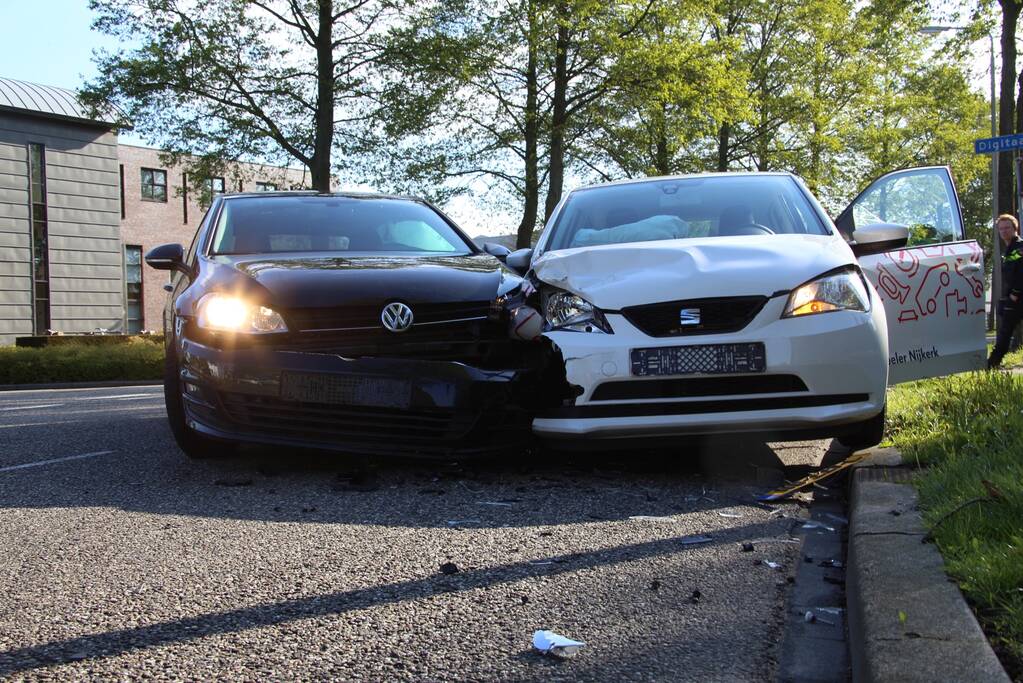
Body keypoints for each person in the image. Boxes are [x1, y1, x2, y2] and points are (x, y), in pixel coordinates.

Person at [987, 213, 1023, 369]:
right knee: (1004, 332)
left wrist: (1014, 295)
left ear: (1015, 228)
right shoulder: (1007, 251)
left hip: (1018, 298)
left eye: (1007, 228)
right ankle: (992, 364)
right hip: (1013, 298)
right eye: (1001, 229)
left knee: (1004, 333)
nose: (1004, 231)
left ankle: (991, 365)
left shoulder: (1020, 247)